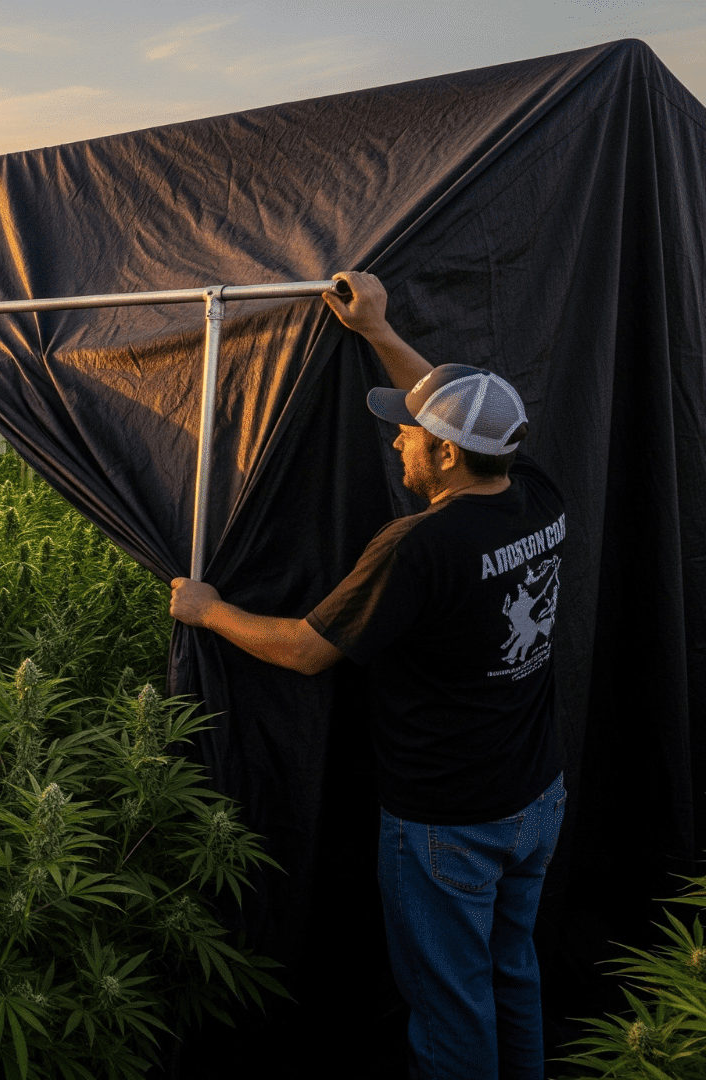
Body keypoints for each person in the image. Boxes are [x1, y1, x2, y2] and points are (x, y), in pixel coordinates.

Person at [169, 271, 566, 1079]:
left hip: (446, 821)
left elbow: (308, 648)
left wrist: (207, 611)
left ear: (447, 454)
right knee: (511, 973)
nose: (396, 442)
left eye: (411, 436)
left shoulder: (416, 547)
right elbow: (450, 406)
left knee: (449, 1009)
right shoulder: (536, 492)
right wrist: (379, 331)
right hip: (535, 796)